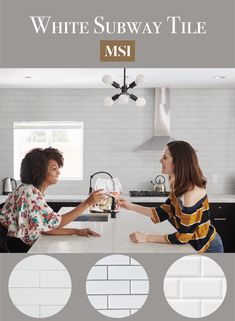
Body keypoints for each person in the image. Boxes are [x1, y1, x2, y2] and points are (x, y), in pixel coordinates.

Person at [118, 141, 224, 253]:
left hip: (208, 247)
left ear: (178, 162)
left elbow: (183, 237)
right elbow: (164, 212)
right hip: (194, 246)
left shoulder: (191, 193)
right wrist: (129, 206)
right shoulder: (178, 184)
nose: (160, 161)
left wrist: (147, 238)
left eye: (165, 157)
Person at [0, 147, 104, 253]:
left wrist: (77, 231)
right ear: (40, 171)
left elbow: (45, 227)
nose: (58, 173)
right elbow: (56, 223)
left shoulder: (30, 190)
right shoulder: (30, 194)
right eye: (54, 169)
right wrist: (87, 203)